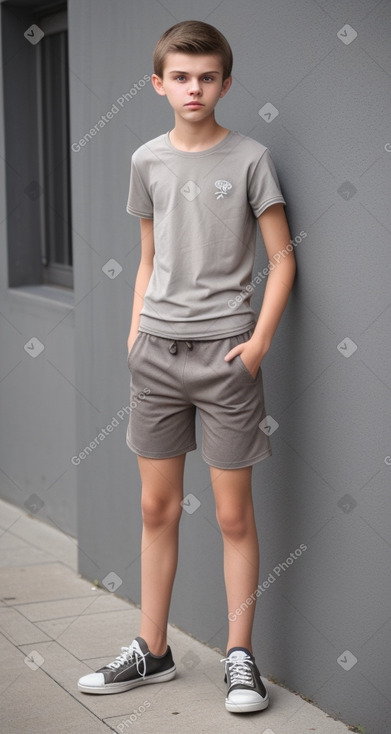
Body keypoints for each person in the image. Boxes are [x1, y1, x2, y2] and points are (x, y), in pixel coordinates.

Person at [78, 19, 296, 714]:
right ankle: (154, 650)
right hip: (157, 356)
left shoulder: (251, 158)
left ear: (224, 83)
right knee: (155, 507)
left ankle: (240, 659)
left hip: (226, 355)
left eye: (206, 76)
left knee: (233, 517)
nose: (193, 87)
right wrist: (134, 332)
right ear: (158, 84)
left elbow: (284, 259)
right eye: (180, 76)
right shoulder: (146, 160)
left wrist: (258, 342)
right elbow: (147, 256)